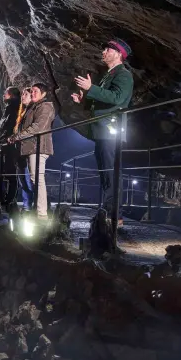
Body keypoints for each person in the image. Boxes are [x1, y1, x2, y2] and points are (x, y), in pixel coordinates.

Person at [72, 38, 134, 226]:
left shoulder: (123, 75)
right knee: (105, 172)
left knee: (110, 172)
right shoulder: (109, 75)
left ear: (119, 54)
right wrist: (84, 99)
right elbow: (104, 99)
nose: (104, 52)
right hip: (103, 129)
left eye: (108, 49)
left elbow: (117, 98)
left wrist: (91, 88)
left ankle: (114, 215)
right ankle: (108, 211)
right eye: (104, 49)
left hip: (110, 129)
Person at [8, 83, 55, 220]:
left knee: (37, 179)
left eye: (35, 91)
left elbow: (38, 127)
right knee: (34, 180)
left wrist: (17, 136)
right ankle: (37, 210)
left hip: (39, 147)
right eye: (32, 91)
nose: (32, 93)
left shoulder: (45, 106)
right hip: (31, 147)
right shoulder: (32, 107)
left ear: (43, 93)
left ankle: (41, 213)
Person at [0, 87, 21, 208]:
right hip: (3, 145)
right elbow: (1, 128)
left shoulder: (14, 107)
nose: (3, 95)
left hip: (10, 145)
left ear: (11, 95)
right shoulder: (8, 107)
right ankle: (3, 198)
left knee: (10, 174)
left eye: (5, 93)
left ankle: (8, 200)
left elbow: (8, 127)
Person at [14, 87, 34, 211]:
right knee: (23, 180)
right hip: (20, 151)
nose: (23, 96)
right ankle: (27, 205)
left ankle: (30, 206)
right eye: (22, 94)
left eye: (26, 94)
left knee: (28, 180)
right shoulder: (22, 112)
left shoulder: (32, 110)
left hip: (28, 149)